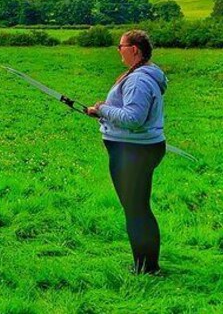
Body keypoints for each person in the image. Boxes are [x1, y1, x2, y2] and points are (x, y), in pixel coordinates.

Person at [87, 30, 166, 275]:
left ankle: (145, 268)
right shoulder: (141, 75)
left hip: (133, 152)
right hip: (135, 149)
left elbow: (133, 119)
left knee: (136, 210)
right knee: (137, 208)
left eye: (120, 46)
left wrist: (103, 109)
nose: (118, 51)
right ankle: (146, 264)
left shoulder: (138, 80)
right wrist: (102, 113)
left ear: (134, 49)